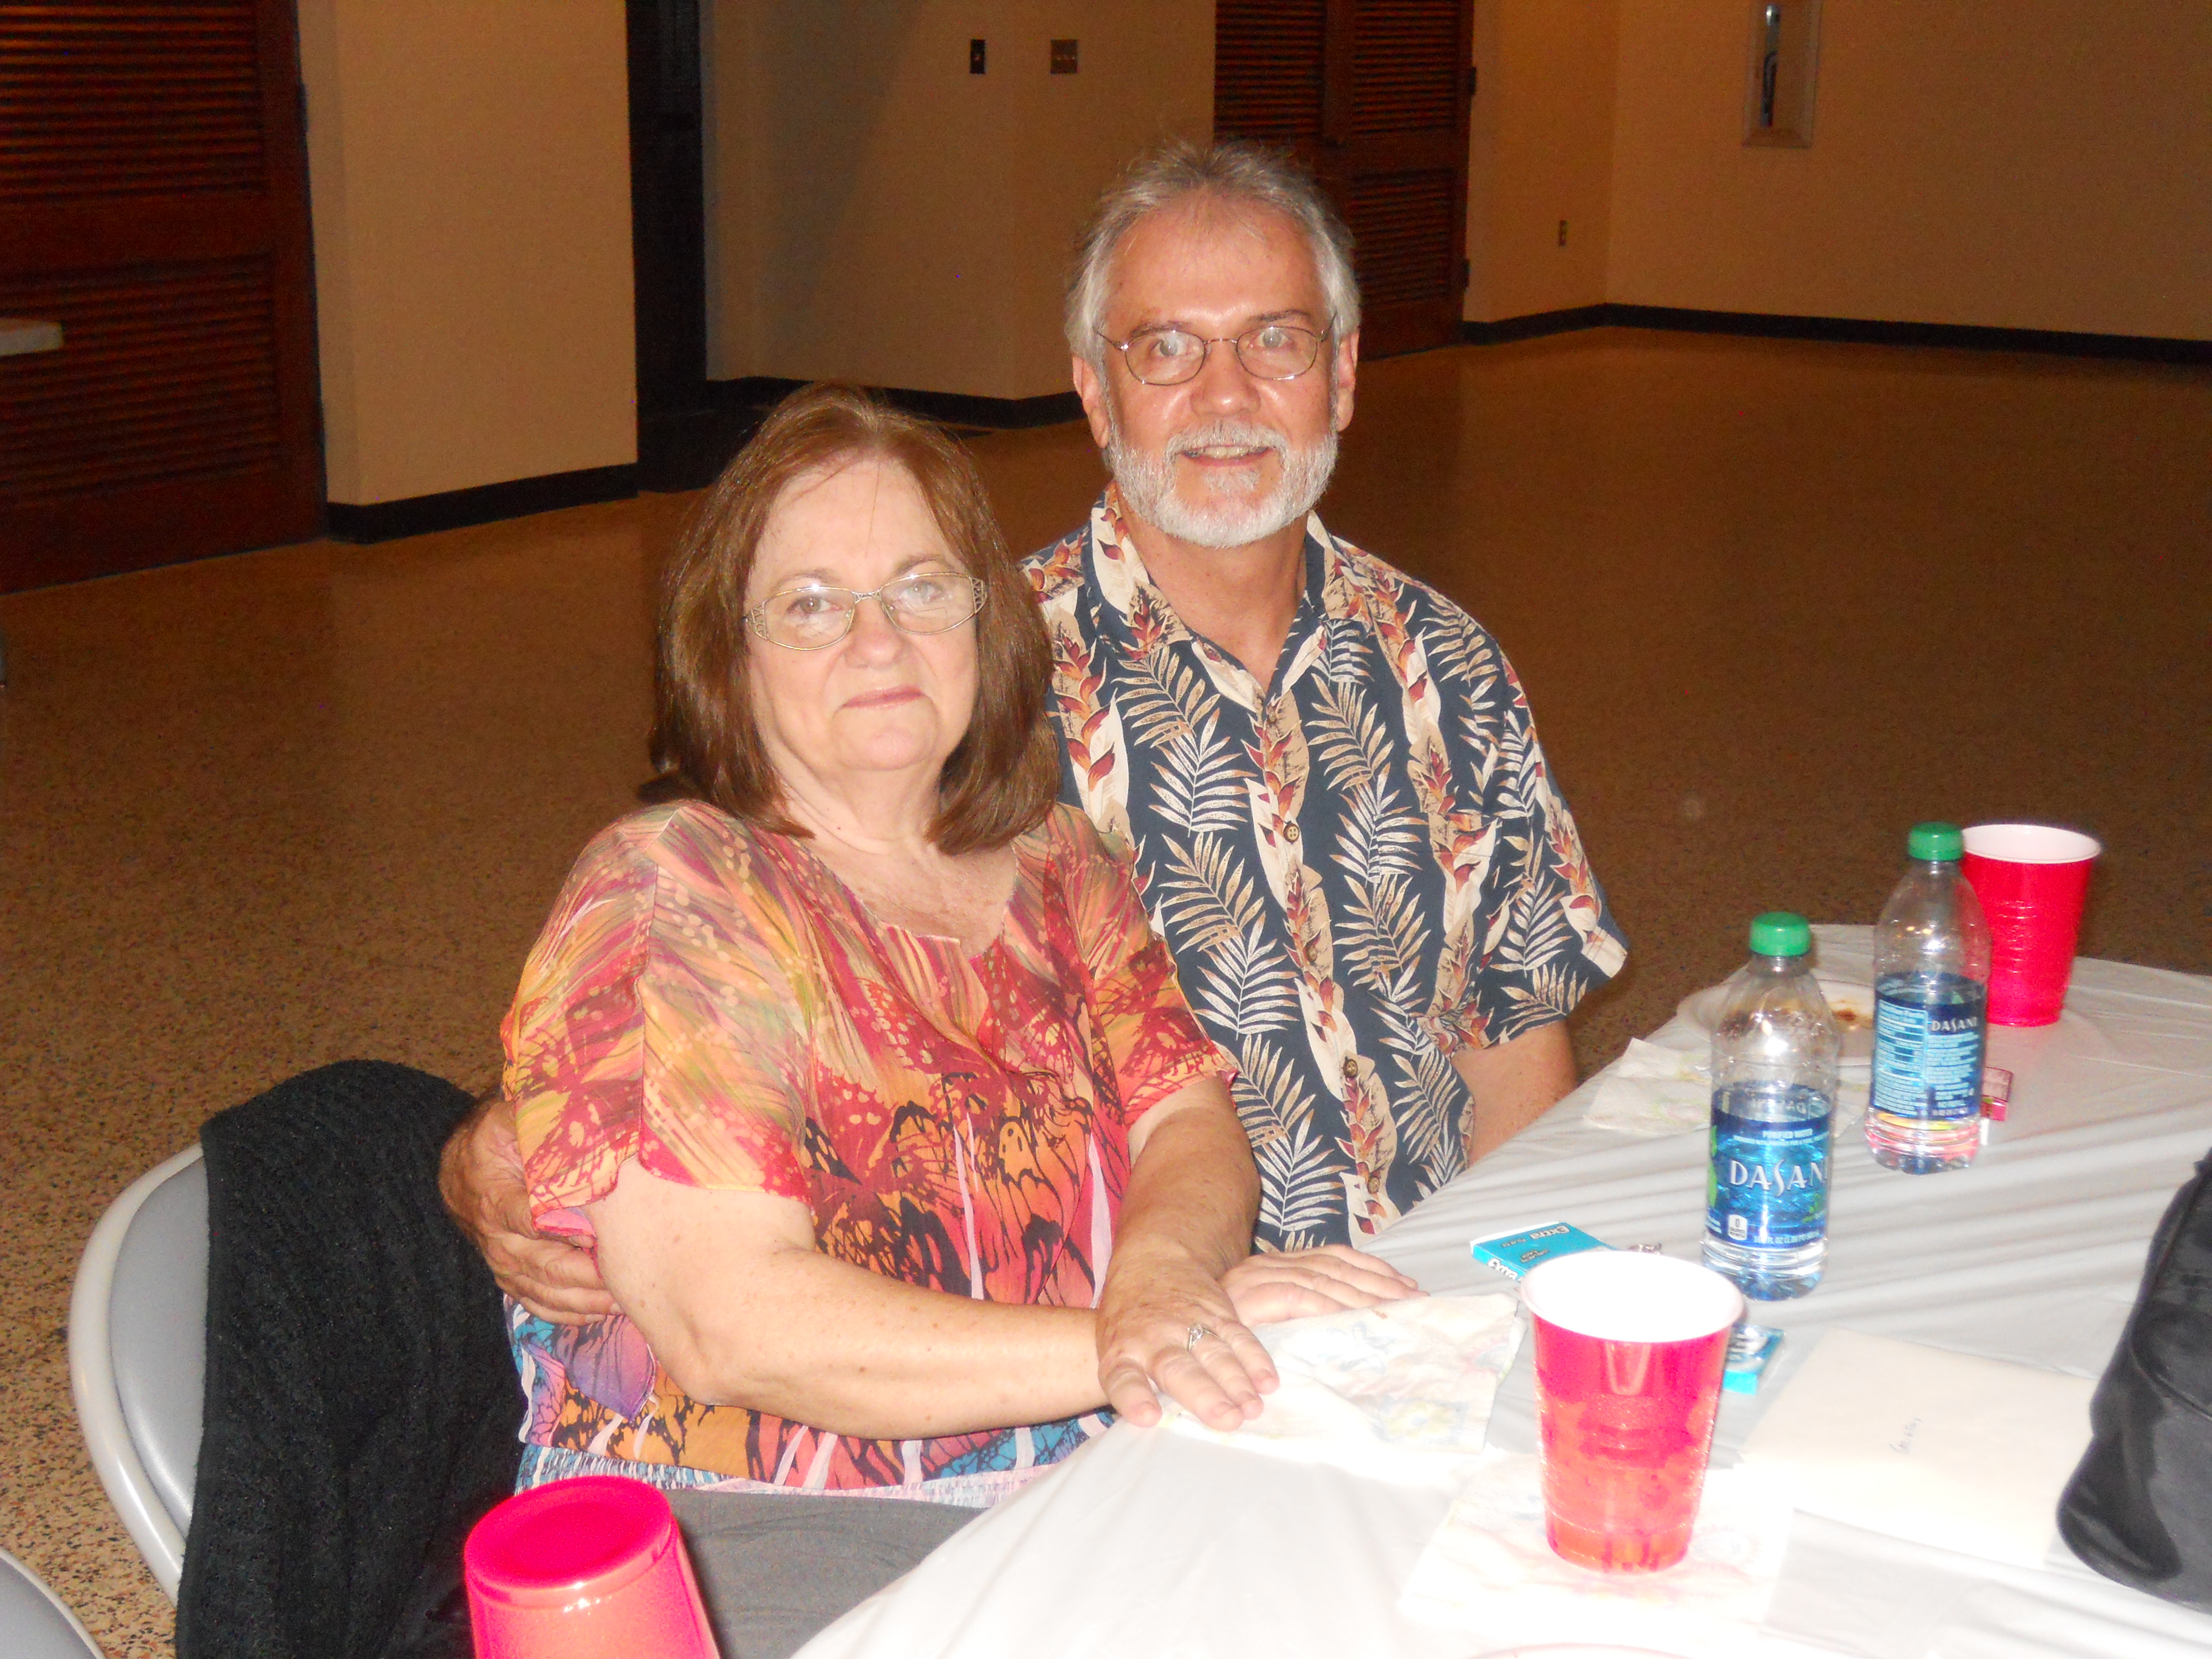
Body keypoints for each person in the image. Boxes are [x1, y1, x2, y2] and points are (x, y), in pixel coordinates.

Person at [447, 138, 1622, 1311]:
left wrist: (1495, 1300)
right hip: (1124, 1336)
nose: (1225, 396)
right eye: (1165, 348)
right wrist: (490, 1147)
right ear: (1094, 390)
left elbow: (1515, 1038)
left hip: (1417, 1303)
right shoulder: (961, 679)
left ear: (1345, 372)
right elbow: (727, 941)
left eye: (1276, 340)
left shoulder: (1448, 664)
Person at [470, 384, 1416, 1657]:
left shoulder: (1057, 861)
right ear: (728, 656)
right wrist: (1128, 1343)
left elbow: (1187, 1120)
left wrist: (1162, 1282)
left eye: (922, 588)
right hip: (748, 1529)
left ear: (985, 625)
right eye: (812, 603)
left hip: (1082, 1474)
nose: (878, 642)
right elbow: (730, 1323)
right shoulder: (679, 886)